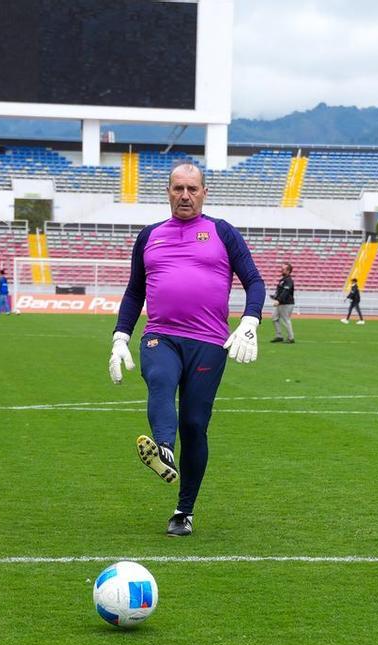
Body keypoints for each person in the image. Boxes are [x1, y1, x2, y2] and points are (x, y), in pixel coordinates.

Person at [108, 162, 265, 538]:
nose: (185, 195)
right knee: (159, 379)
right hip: (161, 334)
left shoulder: (222, 232)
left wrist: (250, 321)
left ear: (204, 192)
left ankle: (184, 511)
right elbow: (134, 292)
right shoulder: (149, 236)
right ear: (168, 191)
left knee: (195, 425)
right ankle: (163, 449)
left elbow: (255, 281)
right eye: (178, 188)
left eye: (192, 189)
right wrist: (119, 338)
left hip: (209, 342)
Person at [270, 263, 295, 343]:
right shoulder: (283, 280)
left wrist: (279, 300)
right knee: (274, 318)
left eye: (283, 269)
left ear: (288, 271)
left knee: (286, 320)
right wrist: (275, 296)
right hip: (281, 303)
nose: (281, 270)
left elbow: (285, 292)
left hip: (286, 303)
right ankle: (279, 336)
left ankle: (291, 338)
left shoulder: (288, 281)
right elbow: (280, 291)